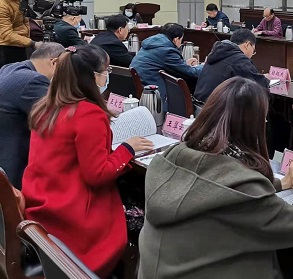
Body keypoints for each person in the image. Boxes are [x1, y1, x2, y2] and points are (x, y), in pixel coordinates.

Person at [138, 77, 293, 279]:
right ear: (253, 126)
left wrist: (282, 183)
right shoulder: (242, 191)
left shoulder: (172, 156)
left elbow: (211, 180)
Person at [21, 45, 154, 278]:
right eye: (105, 71)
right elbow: (97, 174)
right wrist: (128, 149)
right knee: (143, 217)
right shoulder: (89, 114)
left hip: (43, 205)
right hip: (75, 217)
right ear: (92, 77)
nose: (107, 76)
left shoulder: (45, 106)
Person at [0, 42, 64, 189]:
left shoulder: (10, 68)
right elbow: (59, 115)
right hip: (13, 165)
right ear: (54, 63)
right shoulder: (33, 80)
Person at [130, 23, 202, 112]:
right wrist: (205, 66)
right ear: (176, 39)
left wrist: (184, 64)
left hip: (140, 86)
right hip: (154, 93)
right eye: (181, 40)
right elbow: (191, 73)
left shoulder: (151, 43)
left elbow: (160, 62)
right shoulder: (167, 51)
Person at [194, 29, 269, 102]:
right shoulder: (240, 60)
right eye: (253, 50)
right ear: (247, 44)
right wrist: (266, 79)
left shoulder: (215, 54)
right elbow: (261, 85)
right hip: (218, 109)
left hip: (199, 105)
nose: (252, 54)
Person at [0, 0, 39, 68]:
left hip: (21, 44)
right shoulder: (2, 5)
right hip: (7, 49)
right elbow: (6, 34)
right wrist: (33, 43)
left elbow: (21, 20)